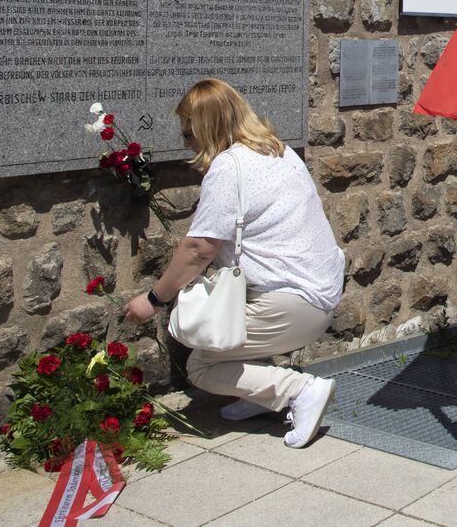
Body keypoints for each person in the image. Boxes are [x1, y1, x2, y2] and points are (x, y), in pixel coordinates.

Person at [123, 78, 346, 449]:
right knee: (233, 316)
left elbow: (199, 249)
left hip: (290, 303)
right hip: (317, 293)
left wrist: (153, 300)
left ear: (208, 128)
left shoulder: (229, 167)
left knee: (201, 366)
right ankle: (258, 396)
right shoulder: (278, 150)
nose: (185, 142)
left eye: (188, 132)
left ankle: (298, 389)